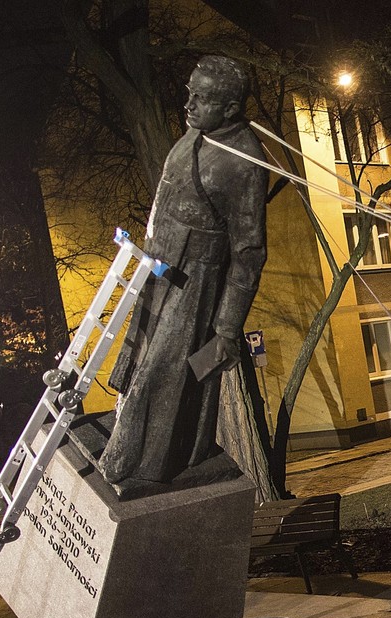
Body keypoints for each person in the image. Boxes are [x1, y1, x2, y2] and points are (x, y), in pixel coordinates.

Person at [99, 55, 268, 489]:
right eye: (189, 93)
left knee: (166, 372)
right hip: (161, 266)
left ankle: (139, 466)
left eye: (202, 98)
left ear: (230, 108)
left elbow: (248, 253)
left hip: (196, 281)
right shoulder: (197, 130)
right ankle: (129, 449)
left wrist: (227, 330)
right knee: (140, 359)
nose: (189, 104)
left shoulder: (244, 162)